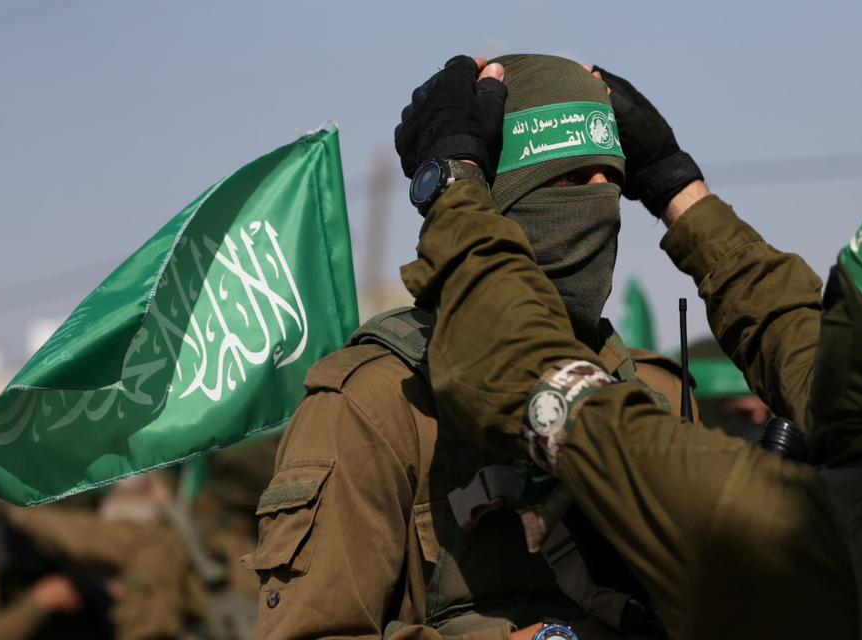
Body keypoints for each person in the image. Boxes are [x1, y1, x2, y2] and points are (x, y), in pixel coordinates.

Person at [394, 56, 862, 639]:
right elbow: (803, 346)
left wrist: (452, 185)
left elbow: (521, 368)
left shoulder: (783, 535)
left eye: (838, 301)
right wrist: (677, 186)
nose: (819, 321)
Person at [245, 55, 699, 640]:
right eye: (569, 179)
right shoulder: (376, 401)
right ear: (500, 193)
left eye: (611, 179)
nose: (601, 202)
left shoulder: (655, 390)